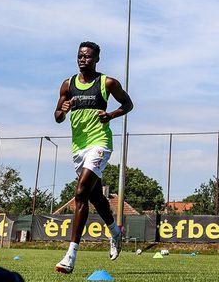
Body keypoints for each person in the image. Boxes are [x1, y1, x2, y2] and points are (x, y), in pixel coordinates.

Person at [52, 42, 133, 274]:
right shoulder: (67, 84)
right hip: (78, 148)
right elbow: (57, 117)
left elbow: (128, 104)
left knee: (80, 193)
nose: (82, 59)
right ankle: (115, 232)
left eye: (87, 57)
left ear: (96, 59)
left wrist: (111, 114)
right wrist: (63, 109)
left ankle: (70, 255)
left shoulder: (107, 82)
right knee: (95, 196)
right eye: (79, 56)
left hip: (100, 144)